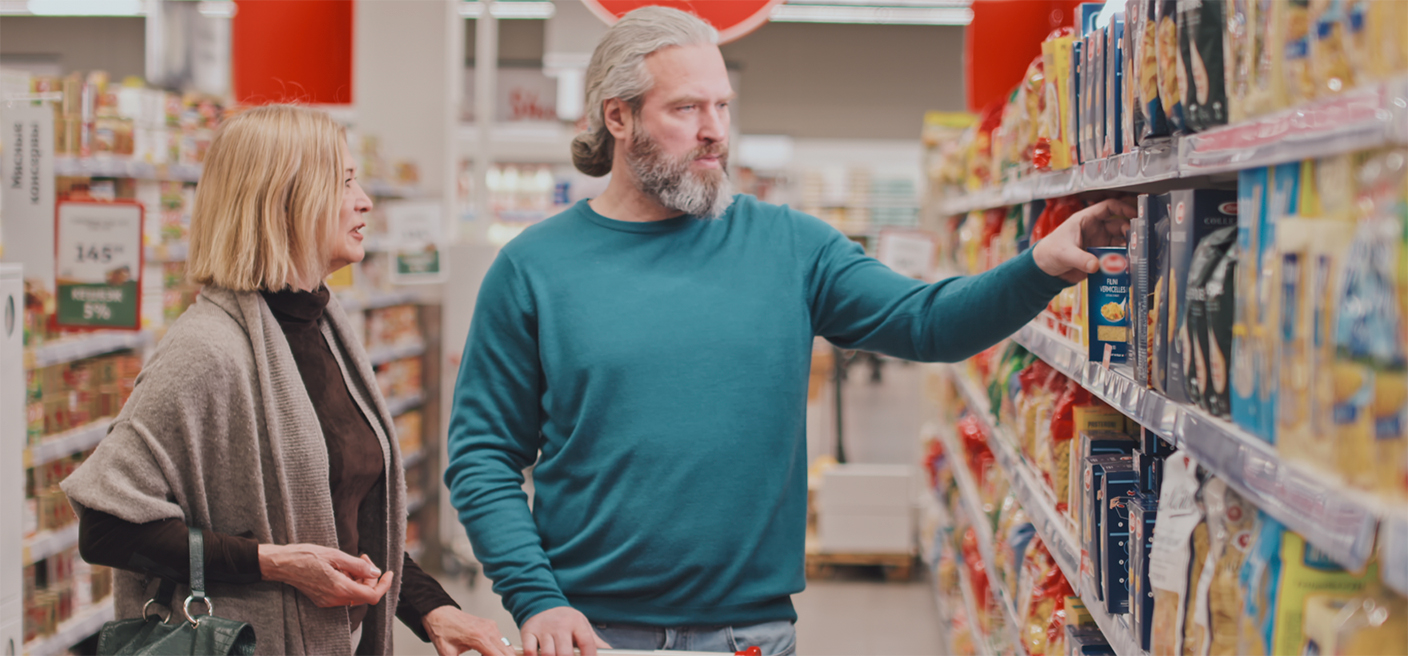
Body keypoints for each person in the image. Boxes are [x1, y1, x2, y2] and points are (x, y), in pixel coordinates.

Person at [444, 8, 1136, 656]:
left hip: (750, 632)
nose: (715, 128)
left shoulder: (790, 246)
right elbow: (482, 456)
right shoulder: (534, 269)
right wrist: (535, 600)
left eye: (722, 105)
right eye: (686, 108)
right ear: (617, 117)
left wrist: (1041, 262)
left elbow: (929, 324)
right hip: (589, 633)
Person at [62, 104, 513, 656]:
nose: (365, 199)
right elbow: (106, 528)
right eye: (344, 181)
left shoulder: (325, 328)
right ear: (285, 199)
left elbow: (347, 517)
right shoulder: (206, 350)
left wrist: (432, 609)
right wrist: (276, 564)